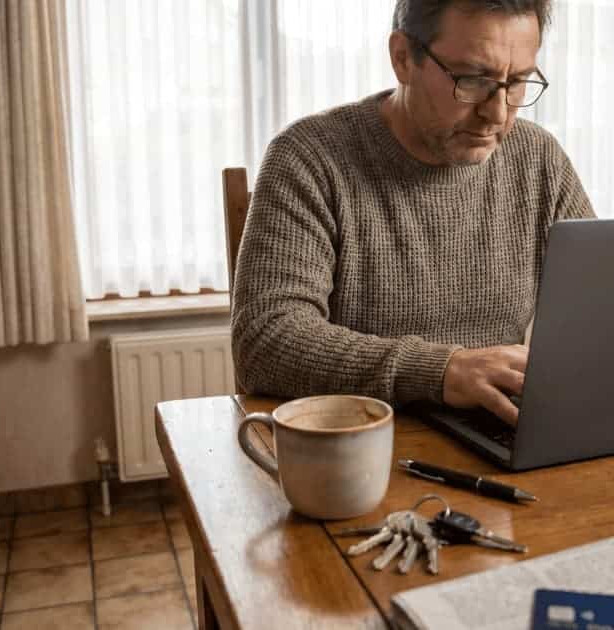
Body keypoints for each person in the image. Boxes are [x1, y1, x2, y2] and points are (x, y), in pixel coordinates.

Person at [232, 0, 594, 426]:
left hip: (500, 430)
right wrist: (441, 372)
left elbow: (602, 309)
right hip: (358, 439)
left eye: (516, 83)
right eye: (473, 80)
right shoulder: (309, 157)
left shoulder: (539, 159)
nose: (497, 114)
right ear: (403, 58)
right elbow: (266, 340)